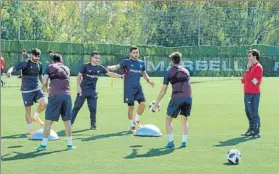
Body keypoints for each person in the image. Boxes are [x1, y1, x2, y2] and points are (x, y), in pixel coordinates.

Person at [71, 51, 124, 129]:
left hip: (92, 92)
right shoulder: (85, 66)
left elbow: (110, 74)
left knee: (93, 109)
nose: (97, 59)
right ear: (91, 57)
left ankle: (93, 125)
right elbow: (79, 76)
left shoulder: (100, 67)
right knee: (77, 107)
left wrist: (121, 76)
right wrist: (78, 87)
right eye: (95, 58)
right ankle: (70, 123)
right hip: (83, 90)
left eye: (98, 58)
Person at [106, 47, 155, 131]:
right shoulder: (126, 62)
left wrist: (149, 81)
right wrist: (110, 67)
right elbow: (117, 66)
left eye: (137, 52)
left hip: (138, 88)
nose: (135, 54)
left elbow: (144, 73)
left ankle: (137, 120)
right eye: (134, 52)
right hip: (129, 88)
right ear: (130, 53)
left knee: (143, 104)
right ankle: (132, 125)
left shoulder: (141, 63)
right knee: (131, 107)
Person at [152, 52, 192, 148]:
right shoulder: (186, 71)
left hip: (177, 98)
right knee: (184, 119)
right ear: (180, 60)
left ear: (171, 61)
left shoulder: (169, 72)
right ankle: (184, 142)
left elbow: (163, 90)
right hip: (188, 98)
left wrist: (156, 104)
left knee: (168, 120)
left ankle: (171, 142)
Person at [36, 53, 75, 151]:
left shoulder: (50, 67)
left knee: (48, 122)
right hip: (67, 96)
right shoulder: (67, 68)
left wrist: (44, 87)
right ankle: (70, 145)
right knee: (67, 122)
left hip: (54, 97)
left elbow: (44, 80)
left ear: (53, 61)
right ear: (61, 60)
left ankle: (43, 146)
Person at [6, 48, 47, 135]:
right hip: (27, 91)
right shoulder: (25, 63)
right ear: (31, 55)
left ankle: (36, 116)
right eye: (35, 56)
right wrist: (9, 72)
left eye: (38, 57)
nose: (37, 58)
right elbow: (14, 67)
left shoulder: (39, 65)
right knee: (28, 110)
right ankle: (30, 129)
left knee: (45, 103)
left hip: (36, 89)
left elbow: (40, 76)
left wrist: (44, 85)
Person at [241, 49, 263, 139]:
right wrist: (248, 73)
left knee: (254, 112)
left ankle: (256, 131)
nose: (248, 58)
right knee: (248, 112)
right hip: (247, 93)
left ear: (255, 57)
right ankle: (251, 129)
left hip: (253, 94)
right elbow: (243, 80)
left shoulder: (257, 67)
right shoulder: (251, 68)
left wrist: (247, 70)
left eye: (250, 56)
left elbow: (251, 79)